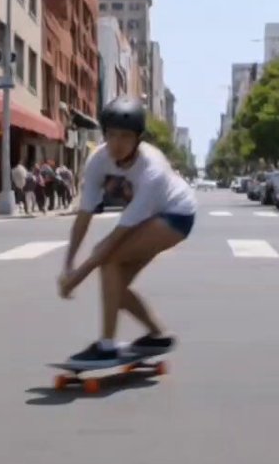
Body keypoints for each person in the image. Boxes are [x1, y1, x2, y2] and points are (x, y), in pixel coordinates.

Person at [58, 96, 197, 365]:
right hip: (149, 216)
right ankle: (158, 335)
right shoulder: (98, 160)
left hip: (176, 214)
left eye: (125, 136)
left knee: (108, 258)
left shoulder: (152, 169)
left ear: (138, 139)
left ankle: (106, 346)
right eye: (111, 135)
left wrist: (76, 278)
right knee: (115, 285)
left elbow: (115, 238)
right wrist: (68, 266)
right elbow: (84, 216)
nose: (117, 144)